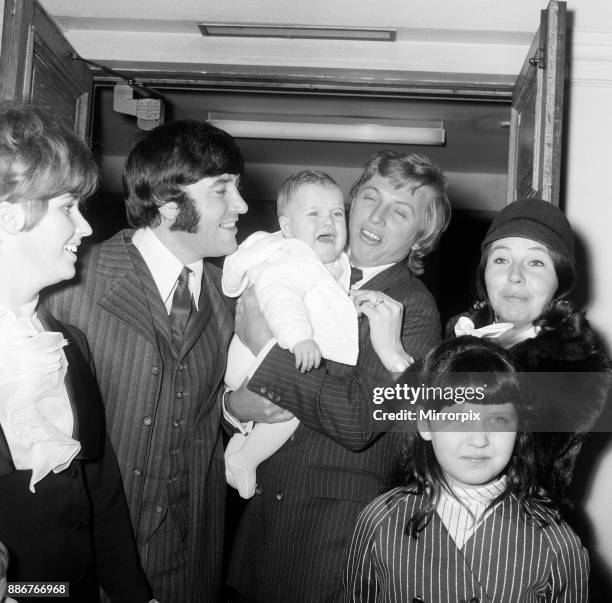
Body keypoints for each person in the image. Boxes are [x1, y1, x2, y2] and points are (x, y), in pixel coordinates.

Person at [226, 151, 451, 601]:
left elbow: (358, 421)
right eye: (370, 197)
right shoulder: (305, 265)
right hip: (261, 522)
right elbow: (236, 379)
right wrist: (233, 406)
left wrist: (265, 349)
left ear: (420, 237)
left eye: (400, 210)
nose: (377, 215)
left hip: (330, 539)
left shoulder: (414, 308)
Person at [44, 119, 247, 602]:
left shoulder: (234, 297)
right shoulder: (72, 283)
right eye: (222, 189)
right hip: (82, 564)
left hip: (189, 560)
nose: (240, 205)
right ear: (169, 201)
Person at [0, 103, 152, 602]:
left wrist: (136, 596)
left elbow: (100, 490)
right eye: (68, 207)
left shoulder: (69, 343)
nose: (85, 229)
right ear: (10, 213)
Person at [344, 336, 589, 602]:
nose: (479, 439)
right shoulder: (380, 520)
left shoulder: (556, 542)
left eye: (498, 419)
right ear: (425, 425)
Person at [447, 199, 611, 506]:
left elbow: (515, 458)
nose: (515, 276)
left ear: (559, 282)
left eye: (535, 262)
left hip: (518, 534)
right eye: (501, 260)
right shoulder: (457, 342)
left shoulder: (578, 370)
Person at [222, 170, 359, 499]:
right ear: (286, 228)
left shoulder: (331, 263)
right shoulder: (288, 258)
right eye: (314, 214)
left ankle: (238, 450)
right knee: (292, 408)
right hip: (256, 353)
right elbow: (279, 295)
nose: (328, 222)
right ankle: (244, 458)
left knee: (282, 409)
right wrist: (299, 337)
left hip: (265, 353)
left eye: (337, 213)